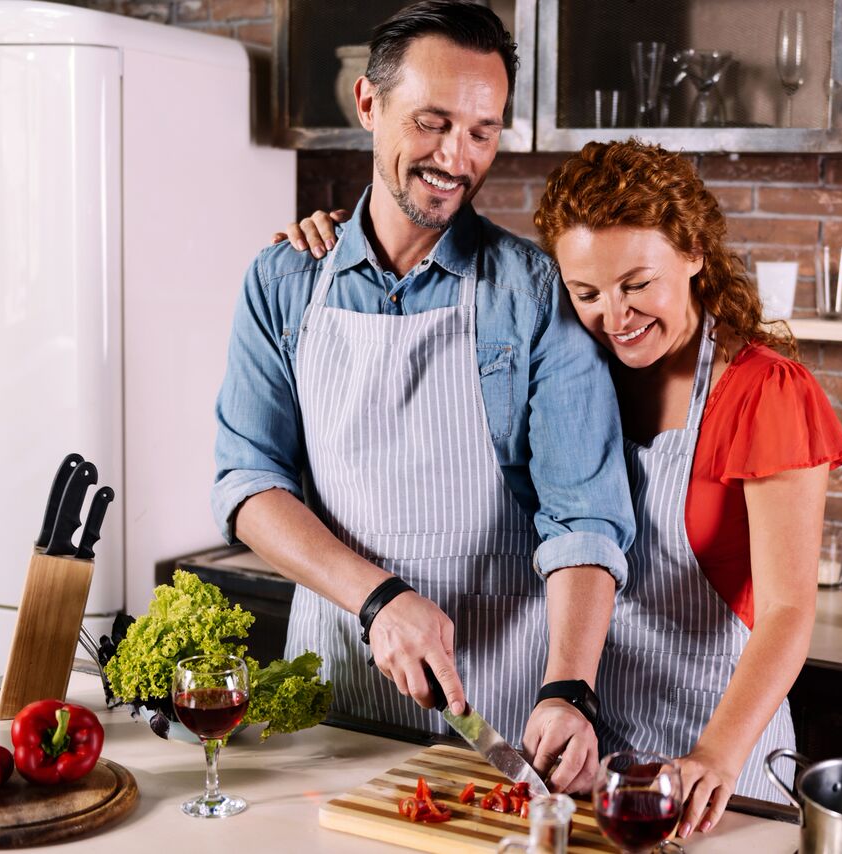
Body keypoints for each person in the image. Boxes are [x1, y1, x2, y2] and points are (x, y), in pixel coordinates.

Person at [281, 140, 842, 836]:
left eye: (637, 283)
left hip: (714, 761)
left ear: (695, 252)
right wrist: (349, 238)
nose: (616, 316)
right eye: (587, 293)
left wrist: (716, 754)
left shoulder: (764, 390)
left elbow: (791, 610)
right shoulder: (582, 366)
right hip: (594, 754)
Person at [214, 0, 634, 794]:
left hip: (500, 716)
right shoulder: (283, 280)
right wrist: (379, 601)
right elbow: (247, 484)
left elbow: (586, 517)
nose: (456, 157)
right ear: (368, 104)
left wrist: (569, 688)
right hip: (330, 704)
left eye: (483, 131)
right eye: (433, 122)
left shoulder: (534, 292)